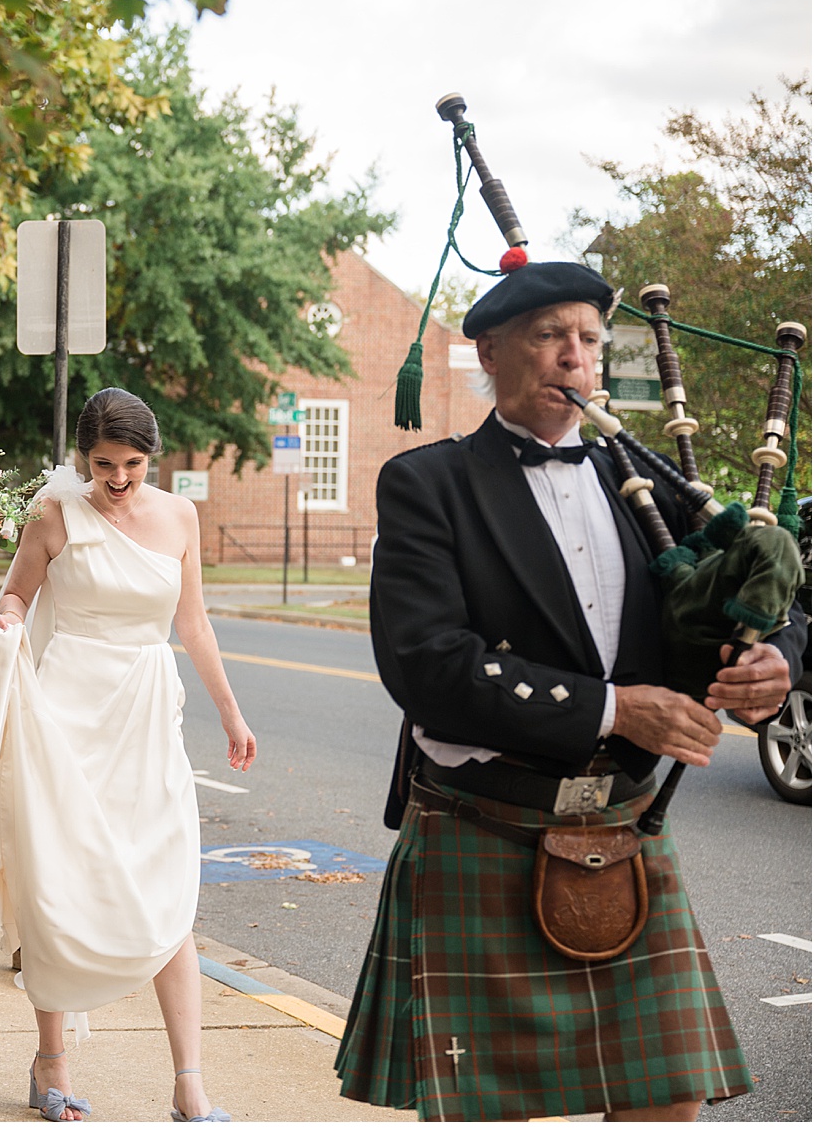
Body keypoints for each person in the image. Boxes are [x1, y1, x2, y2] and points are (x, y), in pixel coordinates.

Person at [335, 262, 807, 1121]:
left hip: (623, 829)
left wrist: (772, 664)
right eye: (550, 336)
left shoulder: (648, 486)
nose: (573, 359)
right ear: (491, 350)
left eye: (588, 340)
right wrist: (619, 707)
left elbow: (740, 599)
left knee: (670, 1099)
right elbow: (428, 666)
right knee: (500, 1111)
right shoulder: (428, 484)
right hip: (487, 825)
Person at [0, 388, 256, 1123]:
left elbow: (194, 622)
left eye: (133, 464)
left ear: (153, 456)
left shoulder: (179, 515)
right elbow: (14, 596)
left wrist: (232, 715)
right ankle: (52, 1061)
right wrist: (7, 630)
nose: (117, 479)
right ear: (84, 457)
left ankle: (189, 1082)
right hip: (65, 715)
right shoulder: (53, 514)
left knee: (168, 887)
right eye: (103, 464)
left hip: (146, 713)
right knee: (61, 887)